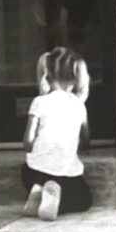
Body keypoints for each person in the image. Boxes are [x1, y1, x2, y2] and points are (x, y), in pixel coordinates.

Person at [22, 47, 93, 220]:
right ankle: (54, 200)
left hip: (34, 172)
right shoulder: (78, 104)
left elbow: (28, 142)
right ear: (75, 78)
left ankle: (39, 192)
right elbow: (85, 140)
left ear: (48, 73)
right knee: (84, 201)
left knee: (28, 171)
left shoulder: (39, 102)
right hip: (66, 175)